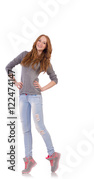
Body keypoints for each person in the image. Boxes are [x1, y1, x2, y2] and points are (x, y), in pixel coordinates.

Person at [5, 34, 61, 174]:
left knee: (39, 126)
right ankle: (29, 160)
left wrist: (42, 88)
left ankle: (53, 154)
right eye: (40, 41)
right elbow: (8, 67)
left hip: (35, 97)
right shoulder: (25, 55)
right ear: (36, 41)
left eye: (44, 43)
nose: (41, 44)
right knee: (26, 130)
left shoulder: (45, 61)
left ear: (46, 47)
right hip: (23, 96)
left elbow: (55, 79)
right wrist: (15, 82)